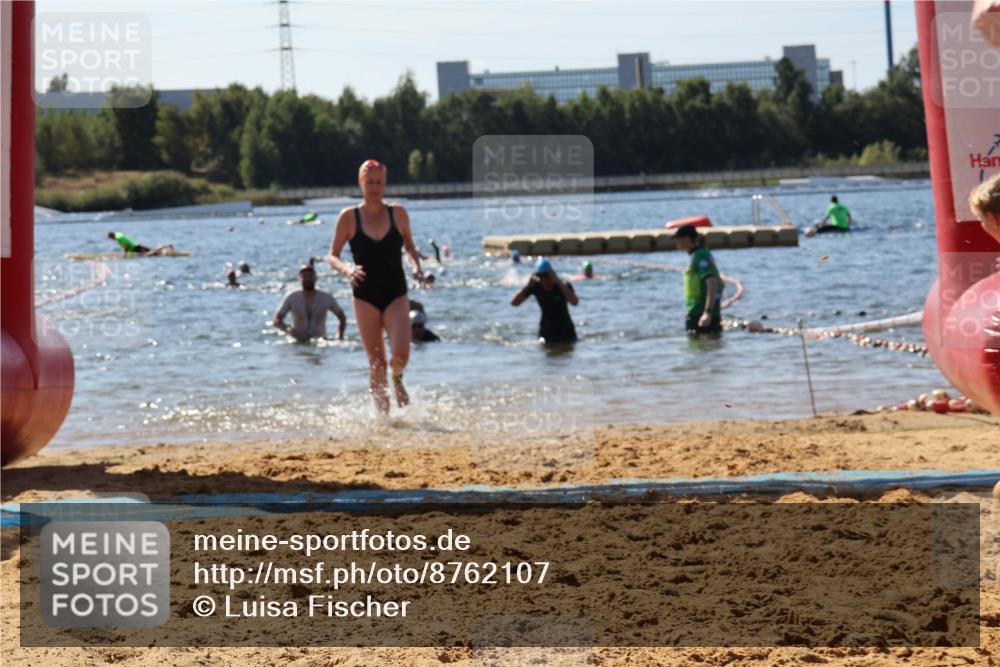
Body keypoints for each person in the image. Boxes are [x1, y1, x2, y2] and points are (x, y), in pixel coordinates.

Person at [326, 159, 424, 414]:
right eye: (369, 182)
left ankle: (398, 379)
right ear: (361, 183)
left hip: (396, 292)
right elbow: (332, 256)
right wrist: (347, 269)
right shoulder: (349, 217)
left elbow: (410, 246)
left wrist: (416, 266)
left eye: (379, 182)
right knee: (377, 363)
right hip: (364, 295)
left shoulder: (398, 213)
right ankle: (383, 419)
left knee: (400, 355)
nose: (374, 187)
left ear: (385, 184)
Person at [272, 264, 347, 342]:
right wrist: (290, 330)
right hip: (298, 340)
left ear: (315, 277)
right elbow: (276, 320)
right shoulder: (292, 297)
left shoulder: (326, 297)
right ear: (300, 278)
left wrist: (339, 337)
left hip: (320, 341)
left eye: (310, 275)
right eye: (305, 276)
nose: (308, 278)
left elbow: (342, 317)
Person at [511, 258, 578, 344]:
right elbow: (514, 303)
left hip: (566, 330)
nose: (545, 280)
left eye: (547, 276)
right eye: (541, 276)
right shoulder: (535, 287)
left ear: (552, 274)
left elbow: (574, 302)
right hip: (546, 331)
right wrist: (528, 286)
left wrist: (558, 281)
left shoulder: (563, 285)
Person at [674, 224, 722, 335]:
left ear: (686, 239)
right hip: (701, 312)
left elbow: (712, 282)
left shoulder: (699, 256)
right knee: (708, 348)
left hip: (700, 314)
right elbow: (721, 285)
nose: (676, 243)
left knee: (698, 349)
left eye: (678, 239)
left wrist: (707, 312)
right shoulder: (703, 253)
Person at [107, 231, 174, 256]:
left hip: (136, 248)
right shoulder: (118, 234)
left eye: (110, 238)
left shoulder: (119, 238)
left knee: (150, 254)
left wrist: (125, 254)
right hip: (137, 246)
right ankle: (165, 248)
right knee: (153, 252)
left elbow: (126, 245)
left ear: (112, 237)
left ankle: (166, 246)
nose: (111, 240)